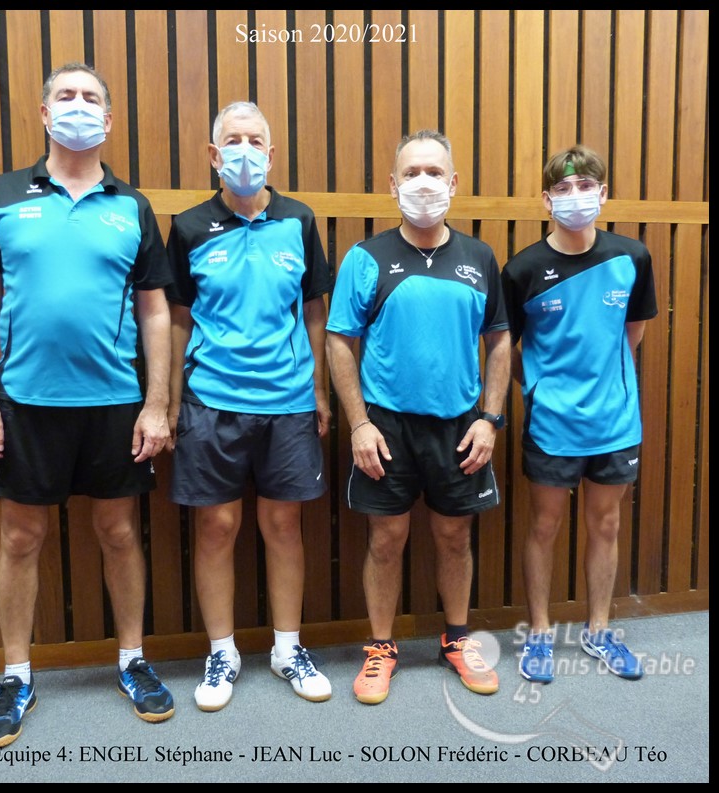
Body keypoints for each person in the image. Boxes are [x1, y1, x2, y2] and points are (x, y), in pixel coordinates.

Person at [0, 63, 175, 749]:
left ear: (108, 121)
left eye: (90, 98)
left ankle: (132, 660)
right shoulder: (3, 194)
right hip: (24, 402)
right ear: (44, 112)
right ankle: (16, 675)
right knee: (19, 538)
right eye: (65, 96)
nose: (77, 106)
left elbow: (155, 311)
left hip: (115, 403)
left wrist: (157, 404)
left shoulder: (131, 205)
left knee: (118, 533)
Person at [325, 130, 511, 705]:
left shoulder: (480, 258)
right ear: (393, 184)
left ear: (453, 183)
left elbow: (500, 341)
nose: (423, 183)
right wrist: (359, 424)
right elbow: (338, 341)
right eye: (411, 173)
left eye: (434, 172)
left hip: (460, 426)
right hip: (386, 428)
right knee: (387, 538)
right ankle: (381, 649)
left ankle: (456, 640)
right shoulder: (366, 257)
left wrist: (490, 419)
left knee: (454, 536)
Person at [165, 101, 333, 712]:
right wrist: (170, 401)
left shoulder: (299, 219)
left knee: (284, 526)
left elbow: (314, 310)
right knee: (217, 526)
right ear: (214, 155)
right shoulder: (188, 226)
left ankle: (288, 648)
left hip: (288, 400)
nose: (244, 151)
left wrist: (319, 391)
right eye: (232, 140)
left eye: (255, 140)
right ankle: (222, 652)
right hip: (211, 400)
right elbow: (177, 318)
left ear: (271, 152)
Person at [501, 145, 658, 684]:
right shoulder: (522, 269)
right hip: (552, 424)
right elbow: (505, 349)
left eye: (586, 185)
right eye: (563, 188)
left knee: (606, 524)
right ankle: (539, 633)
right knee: (544, 525)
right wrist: (540, 386)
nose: (575, 196)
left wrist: (604, 379)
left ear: (603, 193)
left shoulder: (632, 257)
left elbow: (632, 332)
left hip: (615, 422)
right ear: (547, 200)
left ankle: (599, 630)